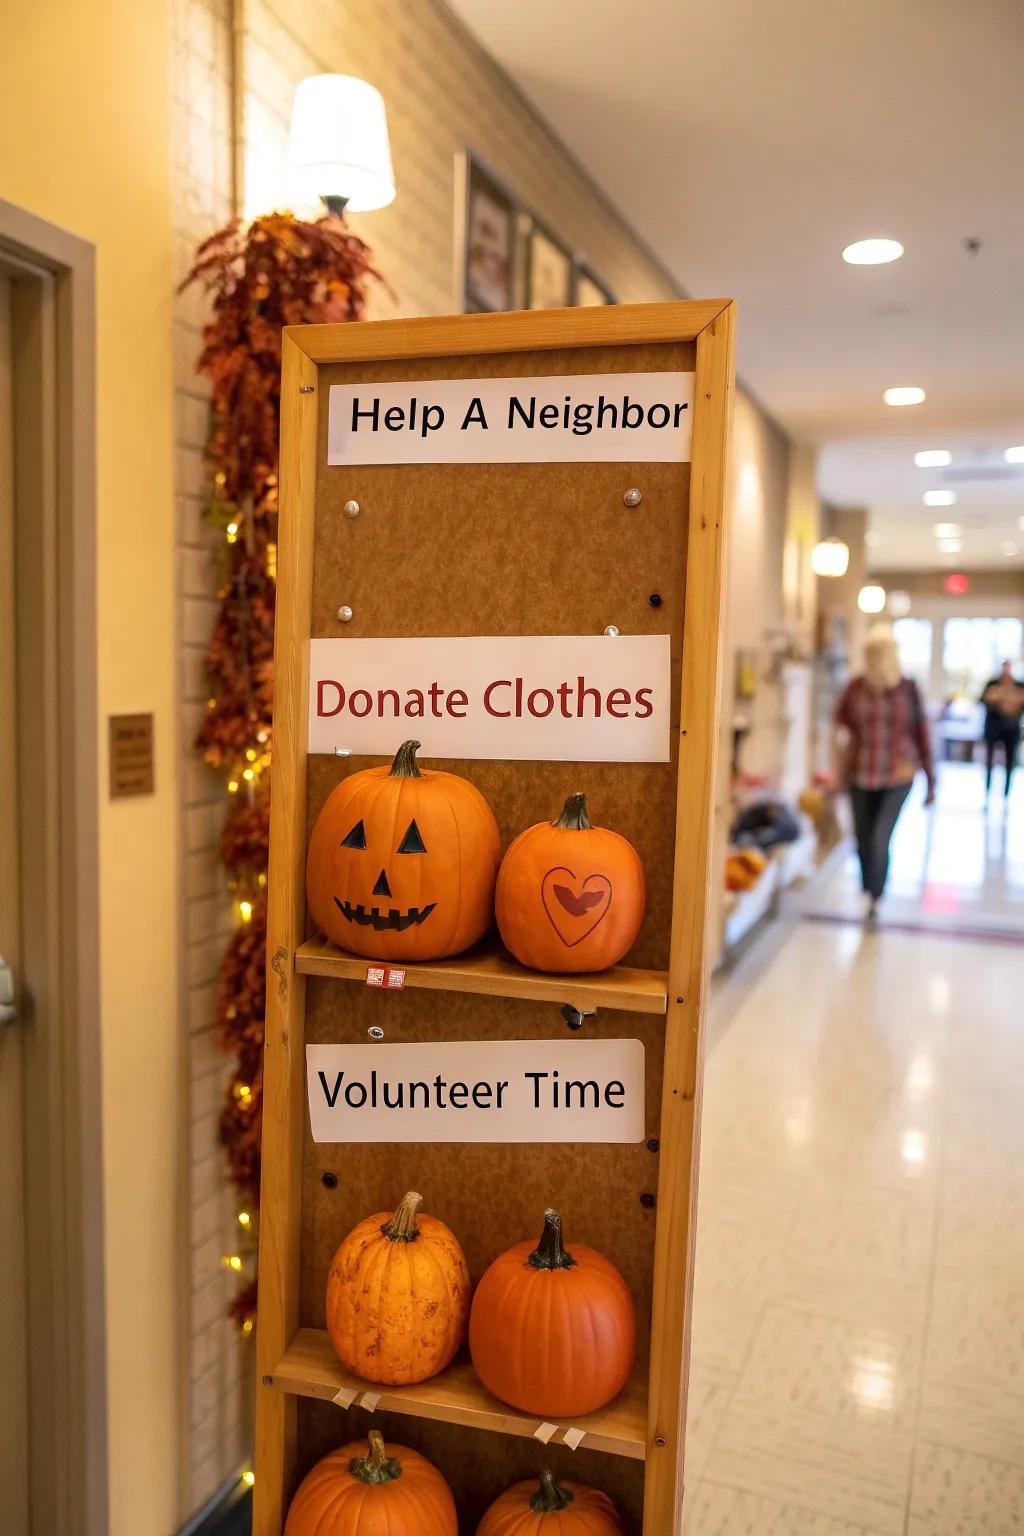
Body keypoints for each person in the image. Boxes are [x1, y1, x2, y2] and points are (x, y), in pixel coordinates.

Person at [834, 630, 935, 921]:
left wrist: (931, 780)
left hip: (898, 776)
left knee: (880, 837)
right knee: (862, 838)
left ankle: (876, 895)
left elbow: (923, 734)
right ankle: (868, 888)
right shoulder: (855, 688)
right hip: (860, 774)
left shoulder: (908, 689)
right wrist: (838, 771)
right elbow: (839, 727)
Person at [980, 659, 1024, 803]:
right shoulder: (992, 684)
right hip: (994, 728)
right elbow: (982, 700)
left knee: (1010, 761)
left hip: (1011, 729)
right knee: (989, 760)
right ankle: (987, 791)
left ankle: (1006, 794)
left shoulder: (1019, 685)